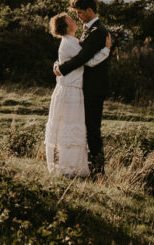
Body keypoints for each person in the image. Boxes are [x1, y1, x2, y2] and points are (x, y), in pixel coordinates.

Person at [45, 12, 111, 176]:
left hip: (70, 90)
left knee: (70, 130)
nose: (75, 21)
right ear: (66, 26)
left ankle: (70, 166)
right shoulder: (69, 43)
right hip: (71, 93)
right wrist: (106, 50)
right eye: (71, 19)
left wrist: (57, 66)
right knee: (71, 129)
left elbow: (67, 60)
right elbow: (88, 61)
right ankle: (70, 168)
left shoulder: (71, 41)